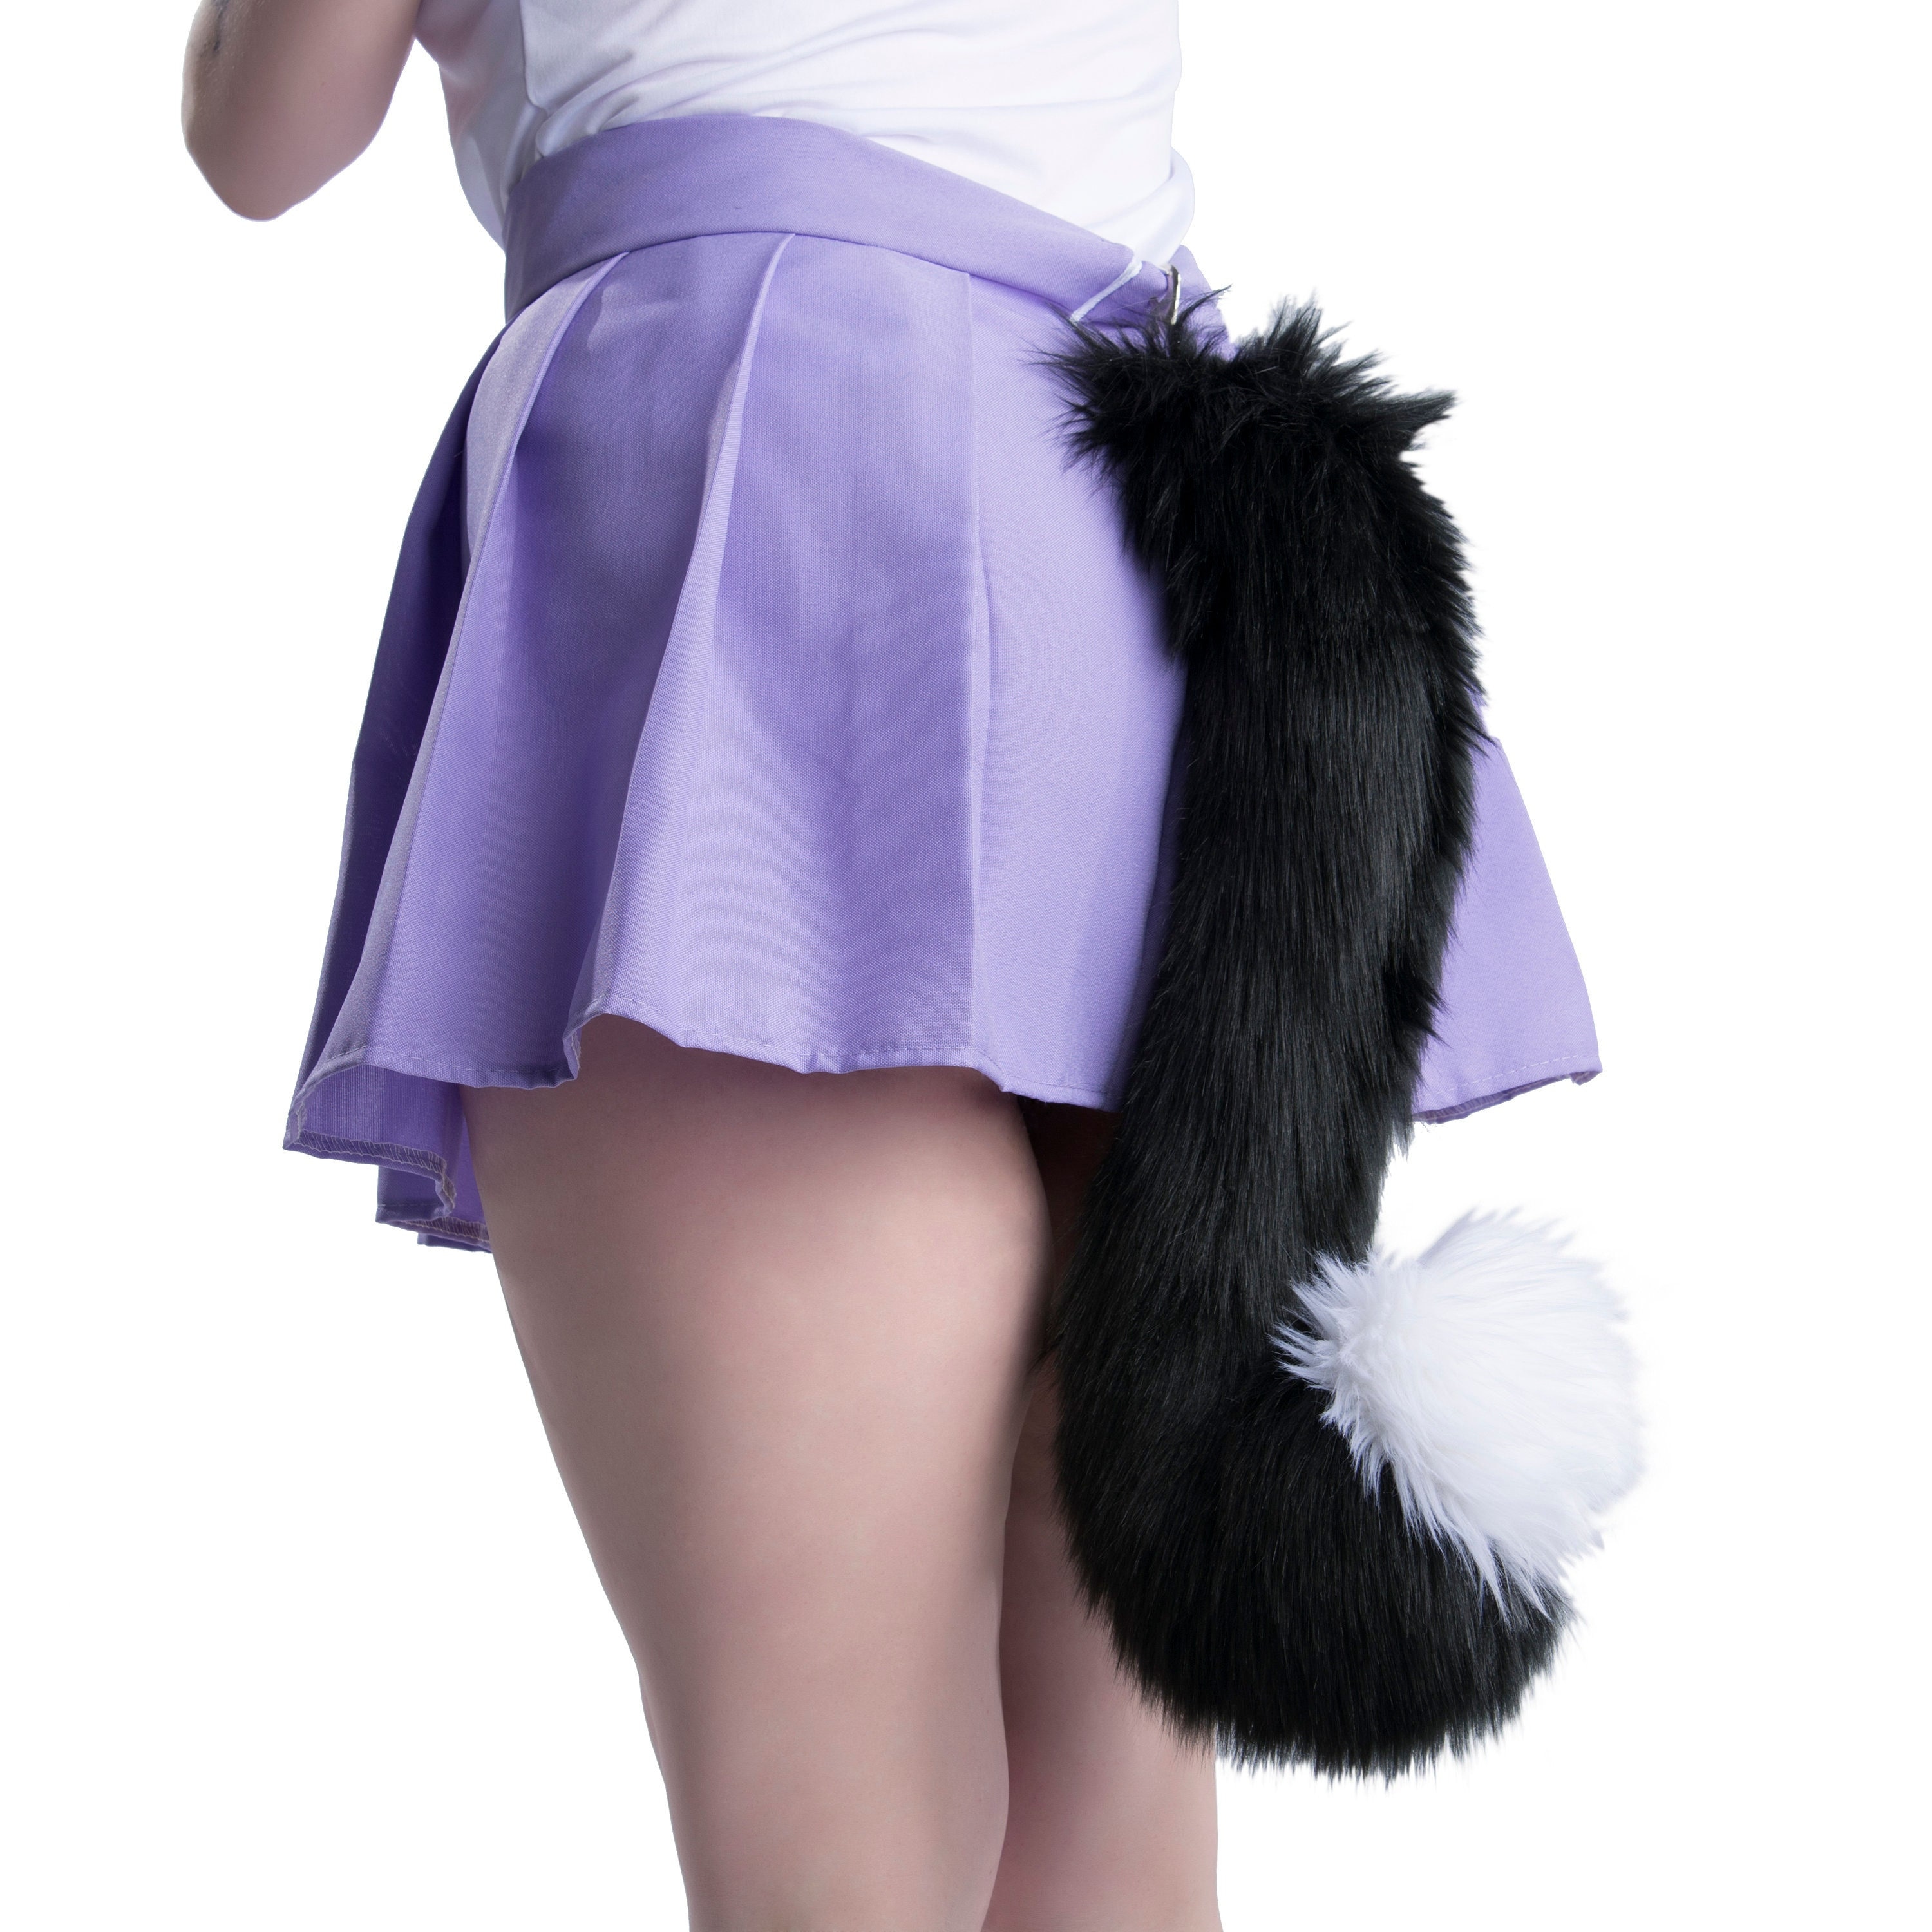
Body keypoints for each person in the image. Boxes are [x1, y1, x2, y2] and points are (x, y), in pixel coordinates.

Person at [182, 5, 1612, 1927]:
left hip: (762, 503)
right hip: (1162, 571)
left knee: (833, 1828)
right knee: (1111, 1795)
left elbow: (261, 139)